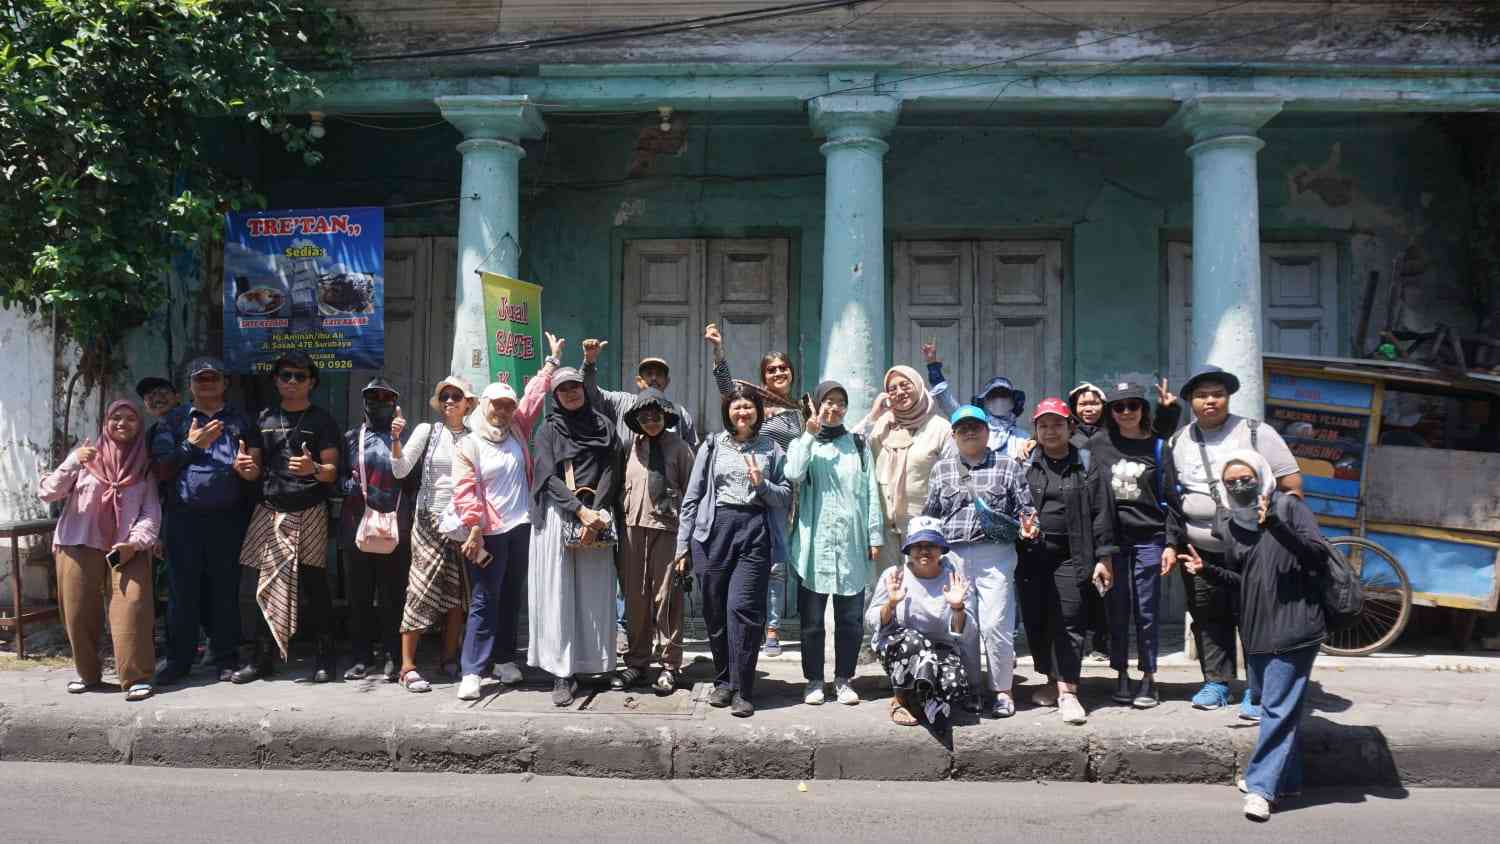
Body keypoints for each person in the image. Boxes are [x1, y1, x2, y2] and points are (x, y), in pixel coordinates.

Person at [1179, 451, 1327, 822]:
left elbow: (1317, 557)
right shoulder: (1231, 525)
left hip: (1296, 623)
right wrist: (1207, 571)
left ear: (1261, 476)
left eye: (1246, 478)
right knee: (1280, 707)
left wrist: (1276, 524)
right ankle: (1287, 780)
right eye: (1231, 483)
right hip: (1258, 628)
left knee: (1275, 707)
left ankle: (1262, 787)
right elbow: (1244, 581)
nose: (1240, 486)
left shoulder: (1289, 508)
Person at [1162, 366, 1303, 713]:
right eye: (1202, 395)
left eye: (1217, 394)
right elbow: (1173, 496)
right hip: (1200, 548)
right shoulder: (1178, 441)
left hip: (1253, 549)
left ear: (1228, 397)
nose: (1210, 400)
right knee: (1207, 616)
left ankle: (1258, 689)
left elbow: (1293, 485)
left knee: (1256, 617)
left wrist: (1275, 513)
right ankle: (1216, 682)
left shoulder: (1257, 433)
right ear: (1191, 402)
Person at [676, 385, 793, 718]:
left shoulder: (771, 448)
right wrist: (683, 545)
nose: (742, 412)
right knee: (714, 611)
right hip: (713, 532)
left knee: (742, 609)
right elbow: (693, 497)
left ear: (758, 410)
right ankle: (723, 680)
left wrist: (762, 485)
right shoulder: (712, 445)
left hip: (754, 530)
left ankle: (743, 689)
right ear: (728, 411)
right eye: (736, 407)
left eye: (749, 407)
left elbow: (785, 495)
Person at [451, 345, 558, 701]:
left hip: (520, 528)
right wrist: (475, 527)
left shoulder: (516, 432)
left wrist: (550, 363)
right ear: (484, 405)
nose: (504, 411)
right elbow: (465, 491)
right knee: (484, 599)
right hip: (487, 533)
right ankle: (472, 669)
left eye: (508, 406)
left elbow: (532, 399)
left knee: (512, 596)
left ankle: (504, 658)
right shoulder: (470, 443)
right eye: (497, 404)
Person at [149, 357, 261, 685]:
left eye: (213, 377)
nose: (207, 383)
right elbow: (161, 470)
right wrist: (191, 445)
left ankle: (225, 658)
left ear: (225, 383)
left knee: (224, 590)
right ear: (190, 385)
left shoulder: (242, 420)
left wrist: (249, 472)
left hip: (228, 519)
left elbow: (255, 468)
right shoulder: (173, 420)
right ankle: (178, 660)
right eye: (201, 378)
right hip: (183, 519)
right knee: (182, 592)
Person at [39, 400, 161, 701]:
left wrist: (135, 542)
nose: (122, 423)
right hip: (78, 542)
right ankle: (88, 674)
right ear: (105, 423)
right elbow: (48, 492)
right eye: (116, 417)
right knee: (79, 613)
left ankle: (136, 678)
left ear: (139, 425)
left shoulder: (145, 466)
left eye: (130, 418)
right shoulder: (84, 458)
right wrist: (73, 461)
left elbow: (151, 512)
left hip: (127, 548)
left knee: (132, 610)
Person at [922, 404, 1038, 718]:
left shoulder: (1007, 465)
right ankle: (972, 689)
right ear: (954, 435)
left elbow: (1027, 509)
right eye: (963, 428)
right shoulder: (942, 469)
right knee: (964, 626)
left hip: (996, 554)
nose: (969, 432)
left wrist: (1030, 527)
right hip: (955, 556)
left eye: (975, 427)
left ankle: (1002, 690)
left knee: (996, 625)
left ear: (987, 431)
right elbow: (931, 515)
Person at [234, 350, 341, 683]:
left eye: (300, 376)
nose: (292, 382)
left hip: (309, 510)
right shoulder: (262, 419)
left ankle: (325, 657)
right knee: (261, 583)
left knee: (314, 586)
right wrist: (245, 469)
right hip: (269, 511)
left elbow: (332, 473)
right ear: (276, 381)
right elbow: (252, 471)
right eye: (285, 376)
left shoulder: (322, 421)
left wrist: (314, 469)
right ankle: (262, 658)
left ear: (312, 382)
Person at [1015, 397, 1118, 725]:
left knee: (1070, 620)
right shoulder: (1026, 464)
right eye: (1043, 425)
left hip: (1073, 555)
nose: (1050, 430)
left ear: (1070, 427)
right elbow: (1011, 504)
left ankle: (1069, 691)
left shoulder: (1087, 463)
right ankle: (1050, 680)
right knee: (1037, 619)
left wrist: (1105, 557)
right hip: (1031, 556)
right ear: (1035, 430)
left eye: (1057, 424)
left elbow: (1102, 513)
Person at [704, 322, 799, 657]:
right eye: (771, 369)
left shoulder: (801, 410)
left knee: (777, 563)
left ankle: (771, 627)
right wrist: (718, 351)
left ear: (791, 373)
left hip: (783, 489)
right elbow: (727, 388)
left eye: (783, 368)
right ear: (764, 375)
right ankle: (751, 626)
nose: (778, 373)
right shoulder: (755, 402)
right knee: (756, 564)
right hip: (749, 489)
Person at [785, 380, 883, 706]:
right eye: (827, 401)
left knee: (851, 620)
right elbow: (794, 473)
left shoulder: (857, 444)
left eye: (840, 402)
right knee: (812, 621)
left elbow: (871, 491)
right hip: (814, 546)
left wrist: (875, 535)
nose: (834, 408)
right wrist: (809, 434)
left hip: (851, 543)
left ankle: (844, 679)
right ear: (815, 405)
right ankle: (814, 680)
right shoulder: (805, 442)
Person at [527, 365, 619, 707]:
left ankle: (593, 665)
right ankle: (561, 673)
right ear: (556, 396)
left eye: (575, 387)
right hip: (557, 513)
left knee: (595, 590)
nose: (571, 393)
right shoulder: (548, 430)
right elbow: (545, 476)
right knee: (559, 592)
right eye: (563, 389)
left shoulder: (603, 426)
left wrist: (595, 512)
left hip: (595, 515)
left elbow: (611, 470)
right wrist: (578, 510)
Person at [1087, 380, 1183, 708]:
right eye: (1119, 406)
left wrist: (1171, 543)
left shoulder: (1158, 446)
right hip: (1114, 542)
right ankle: (1122, 673)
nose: (1126, 412)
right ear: (1110, 412)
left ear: (1143, 409)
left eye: (1133, 405)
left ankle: (1148, 677)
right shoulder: (1100, 444)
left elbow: (1172, 498)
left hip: (1149, 539)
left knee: (1146, 610)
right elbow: (1059, 438)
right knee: (1117, 611)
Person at [390, 375, 477, 691]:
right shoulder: (428, 431)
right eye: (445, 397)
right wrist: (396, 440)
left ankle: (449, 658)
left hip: (463, 525)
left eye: (456, 396)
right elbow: (399, 469)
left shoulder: (475, 437)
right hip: (428, 522)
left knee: (456, 595)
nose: (450, 401)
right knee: (420, 588)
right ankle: (408, 666)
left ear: (468, 403)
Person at [611, 388, 695, 694]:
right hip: (633, 530)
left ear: (665, 416)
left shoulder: (681, 448)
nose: (651, 421)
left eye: (656, 415)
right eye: (644, 417)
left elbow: (693, 496)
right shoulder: (630, 447)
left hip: (668, 532)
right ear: (636, 420)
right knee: (635, 598)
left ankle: (670, 666)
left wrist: (688, 545)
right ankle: (636, 662)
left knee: (667, 600)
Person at [338, 377, 417, 684]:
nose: (378, 404)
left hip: (394, 528)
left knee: (393, 596)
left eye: (385, 399)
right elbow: (337, 476)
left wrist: (398, 441)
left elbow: (412, 484)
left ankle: (392, 655)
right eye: (373, 398)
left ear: (395, 405)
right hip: (357, 526)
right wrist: (345, 485)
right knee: (359, 597)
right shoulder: (350, 438)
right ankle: (360, 657)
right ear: (364, 402)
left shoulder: (405, 438)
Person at [852, 364, 955, 593]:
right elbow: (851, 447)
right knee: (888, 588)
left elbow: (952, 479)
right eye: (892, 388)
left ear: (918, 386)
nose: (899, 392)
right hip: (885, 528)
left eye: (905, 385)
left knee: (922, 588)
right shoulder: (882, 424)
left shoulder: (940, 428)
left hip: (923, 527)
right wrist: (873, 415)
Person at [868, 516, 976, 728]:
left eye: (930, 545)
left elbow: (967, 633)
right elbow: (871, 621)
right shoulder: (894, 575)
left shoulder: (955, 580)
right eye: (917, 546)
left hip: (940, 649)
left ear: (941, 550)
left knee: (954, 684)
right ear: (908, 549)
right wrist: (890, 603)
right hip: (900, 649)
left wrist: (957, 607)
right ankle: (900, 699)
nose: (924, 551)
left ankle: (920, 699)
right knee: (914, 641)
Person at [580, 339, 699, 449]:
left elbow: (691, 452)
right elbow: (589, 393)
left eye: (659, 374)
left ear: (667, 382)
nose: (654, 378)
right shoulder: (621, 402)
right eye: (649, 374)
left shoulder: (678, 412)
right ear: (639, 381)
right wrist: (589, 363)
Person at [921, 340, 1030, 459]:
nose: (999, 400)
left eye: (1004, 395)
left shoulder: (1022, 438)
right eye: (994, 395)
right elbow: (945, 398)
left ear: (1013, 402)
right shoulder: (973, 425)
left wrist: (1034, 442)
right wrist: (933, 367)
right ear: (985, 401)